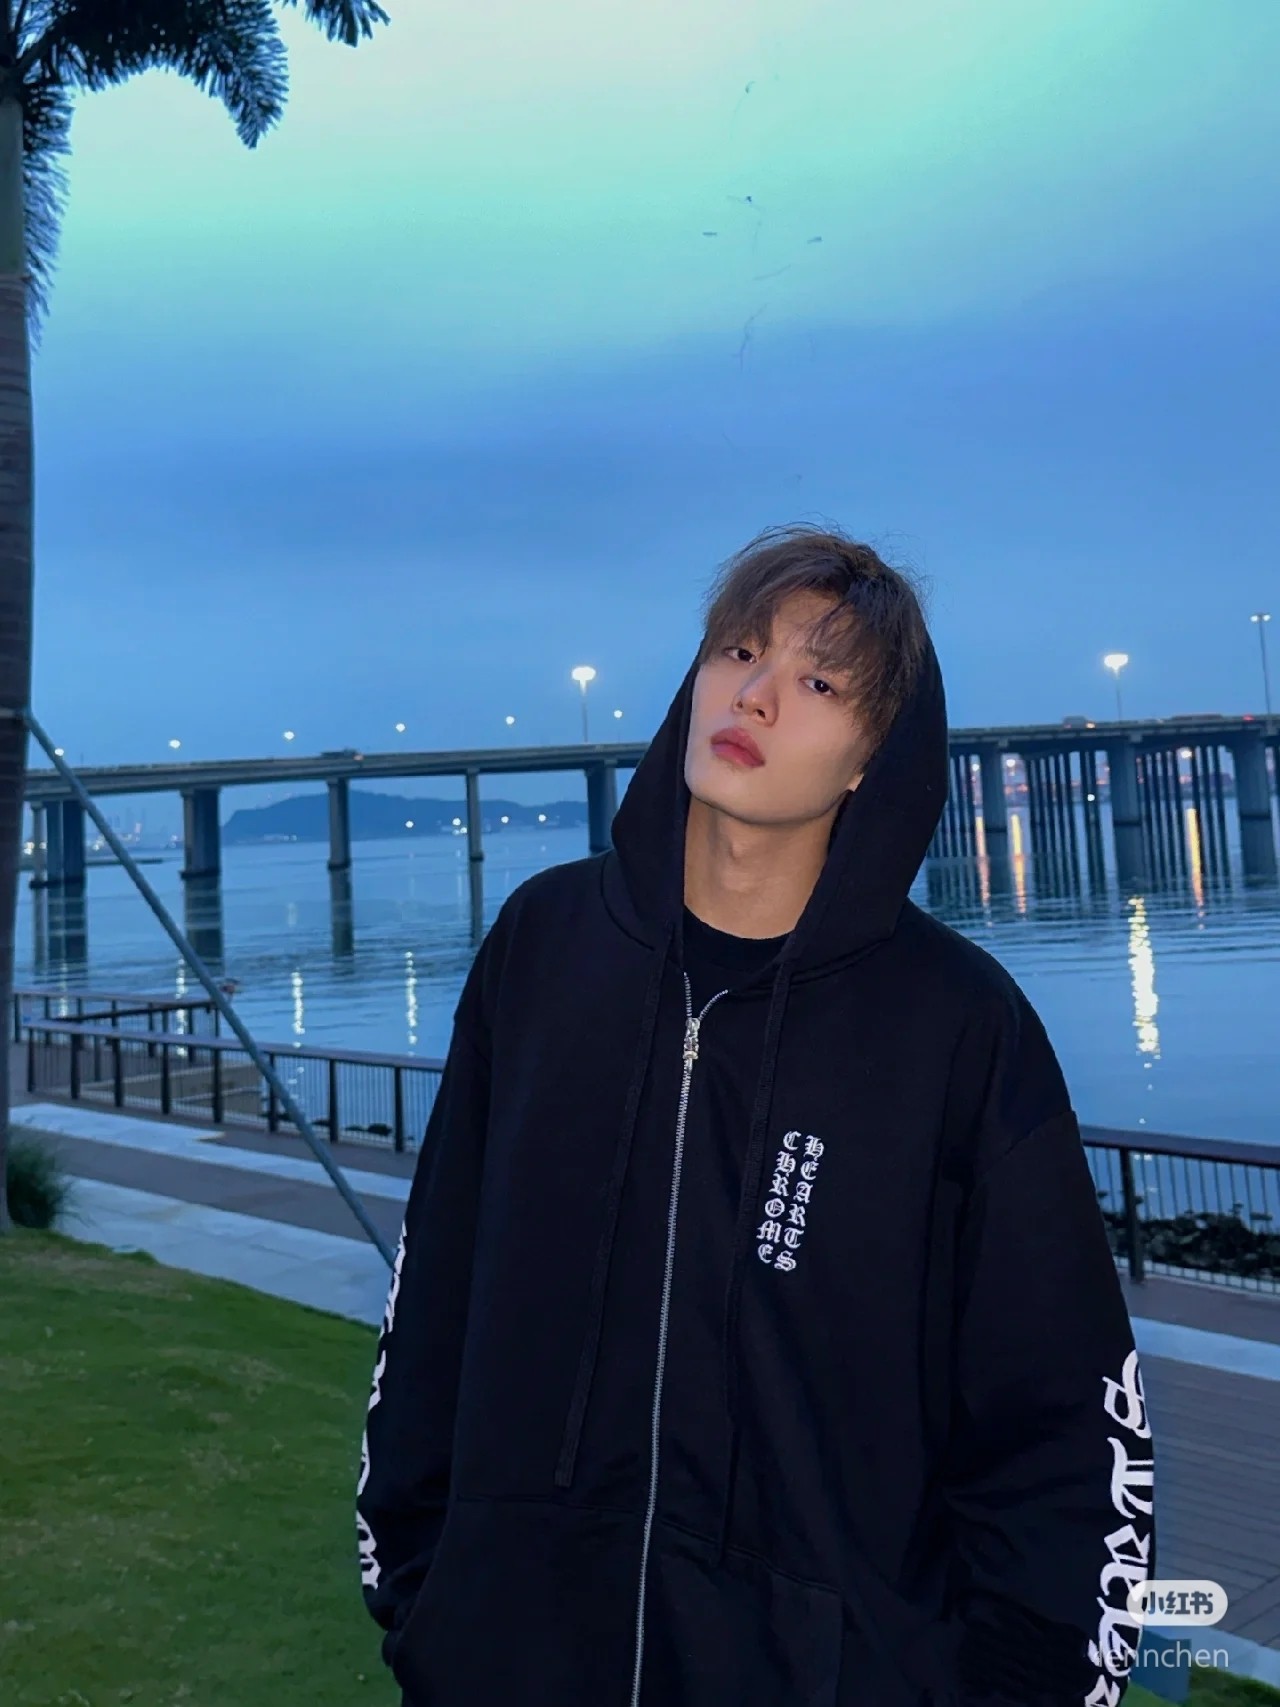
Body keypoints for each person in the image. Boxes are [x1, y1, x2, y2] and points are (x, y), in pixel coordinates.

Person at [355, 524, 1157, 1706]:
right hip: (507, 1657)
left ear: (871, 759)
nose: (756, 696)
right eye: (738, 651)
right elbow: (432, 1301)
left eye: (819, 683)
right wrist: (428, 1597)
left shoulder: (952, 1026)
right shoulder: (543, 951)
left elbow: (1061, 1430)